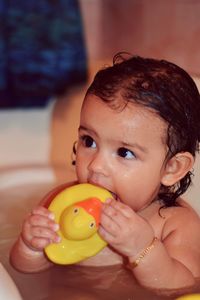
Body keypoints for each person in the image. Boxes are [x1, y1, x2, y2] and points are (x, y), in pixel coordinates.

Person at [10, 53, 200, 290]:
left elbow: (182, 285)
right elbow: (24, 270)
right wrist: (31, 247)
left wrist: (143, 248)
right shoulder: (61, 203)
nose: (96, 165)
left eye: (124, 153)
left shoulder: (176, 224)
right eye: (88, 141)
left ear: (172, 168)